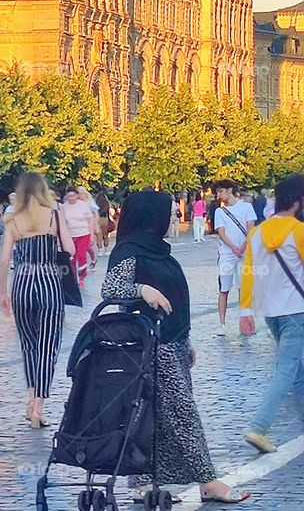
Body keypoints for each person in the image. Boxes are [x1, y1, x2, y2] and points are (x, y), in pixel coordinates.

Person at [102, 190, 250, 505]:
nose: (174, 219)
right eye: (169, 214)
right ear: (151, 217)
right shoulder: (130, 251)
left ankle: (143, 482)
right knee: (183, 414)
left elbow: (177, 302)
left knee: (153, 415)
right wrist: (142, 290)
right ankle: (208, 480)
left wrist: (187, 340)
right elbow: (111, 288)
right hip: (150, 344)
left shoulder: (159, 251)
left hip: (174, 341)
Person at [0, 173, 74, 428]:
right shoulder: (53, 215)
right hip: (49, 282)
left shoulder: (13, 220)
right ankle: (38, 405)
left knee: (29, 345)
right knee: (48, 344)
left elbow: (5, 259)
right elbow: (70, 250)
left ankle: (30, 396)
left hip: (23, 283)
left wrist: (2, 292)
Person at [240, 175, 304, 454]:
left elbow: (249, 274)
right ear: (298, 201)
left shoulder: (256, 234)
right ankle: (259, 426)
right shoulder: (298, 231)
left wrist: (245, 310)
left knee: (298, 370)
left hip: (271, 313)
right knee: (287, 370)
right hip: (298, 311)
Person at [214, 181, 257, 326]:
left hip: (245, 253)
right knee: (224, 288)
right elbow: (221, 232)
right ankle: (222, 323)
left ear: (229, 190)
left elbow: (251, 228)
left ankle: (244, 321)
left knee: (243, 288)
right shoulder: (220, 211)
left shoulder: (246, 207)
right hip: (226, 253)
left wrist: (244, 246)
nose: (218, 195)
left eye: (220, 191)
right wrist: (233, 247)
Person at [60, 186, 95, 288]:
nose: (71, 198)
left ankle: (82, 277)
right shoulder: (63, 207)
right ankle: (74, 278)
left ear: (76, 195)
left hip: (83, 233)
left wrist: (92, 235)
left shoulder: (83, 205)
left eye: (73, 195)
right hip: (70, 235)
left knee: (81, 256)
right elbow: (62, 222)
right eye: (69, 196)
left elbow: (90, 221)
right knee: (72, 258)